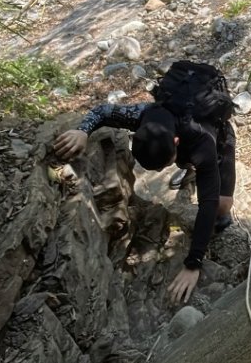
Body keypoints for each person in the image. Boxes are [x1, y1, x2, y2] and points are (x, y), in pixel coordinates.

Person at [54, 66, 236, 306]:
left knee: (222, 207)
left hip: (215, 139)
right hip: (182, 140)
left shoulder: (204, 141)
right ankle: (191, 168)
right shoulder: (141, 114)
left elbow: (208, 204)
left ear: (176, 141)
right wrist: (82, 131)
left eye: (163, 166)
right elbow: (104, 111)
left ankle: (196, 172)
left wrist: (193, 264)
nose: (160, 172)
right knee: (191, 162)